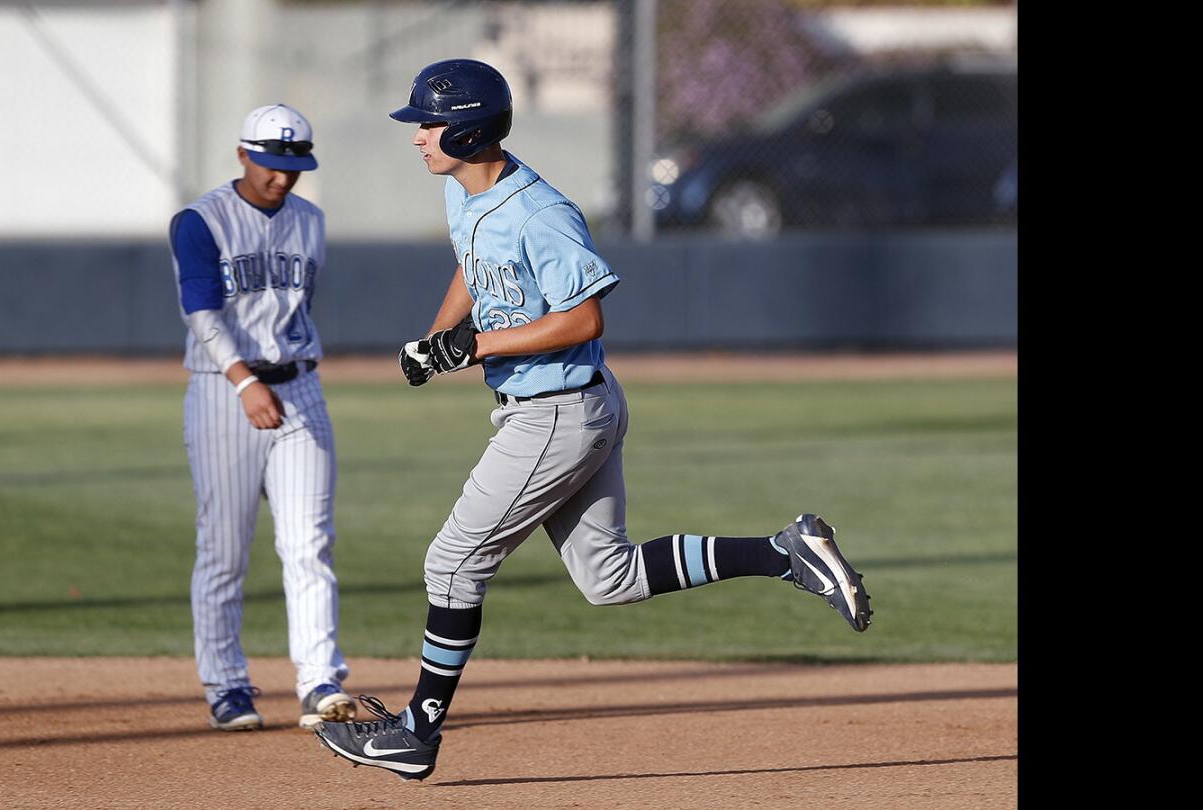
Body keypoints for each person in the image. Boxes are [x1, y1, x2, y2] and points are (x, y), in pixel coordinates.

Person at [313, 60, 871, 780]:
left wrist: (475, 343)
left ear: (469, 127)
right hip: (573, 407)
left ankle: (417, 732)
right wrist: (437, 338)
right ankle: (784, 551)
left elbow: (583, 316)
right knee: (610, 578)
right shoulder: (465, 190)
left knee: (451, 564)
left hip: (555, 415)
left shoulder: (540, 212)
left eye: (429, 122)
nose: (418, 134)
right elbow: (473, 264)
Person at [168, 103, 355, 732]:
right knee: (224, 550)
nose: (282, 177)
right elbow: (202, 314)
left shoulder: (311, 222)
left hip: (300, 387)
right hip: (224, 391)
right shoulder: (201, 221)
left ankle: (320, 680)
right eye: (271, 164)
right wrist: (246, 381)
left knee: (310, 543)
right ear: (243, 155)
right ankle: (226, 685)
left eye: (293, 166)